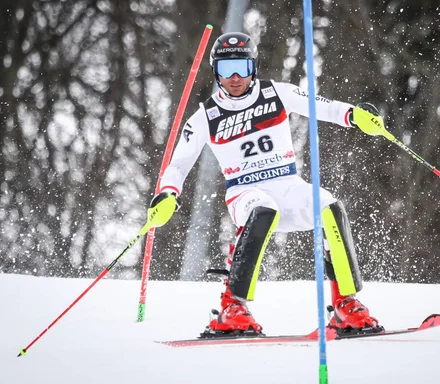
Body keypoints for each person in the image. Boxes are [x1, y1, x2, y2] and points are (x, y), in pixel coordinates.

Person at [150, 32, 389, 337]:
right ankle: (231, 307)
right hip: (244, 193)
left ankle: (346, 304)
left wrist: (353, 115)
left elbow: (322, 106)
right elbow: (178, 164)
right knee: (265, 208)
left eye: (242, 68)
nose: (235, 77)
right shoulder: (204, 117)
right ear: (215, 72)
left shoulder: (277, 93)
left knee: (329, 206)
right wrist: (168, 194)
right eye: (225, 70)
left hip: (287, 185)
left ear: (254, 67)